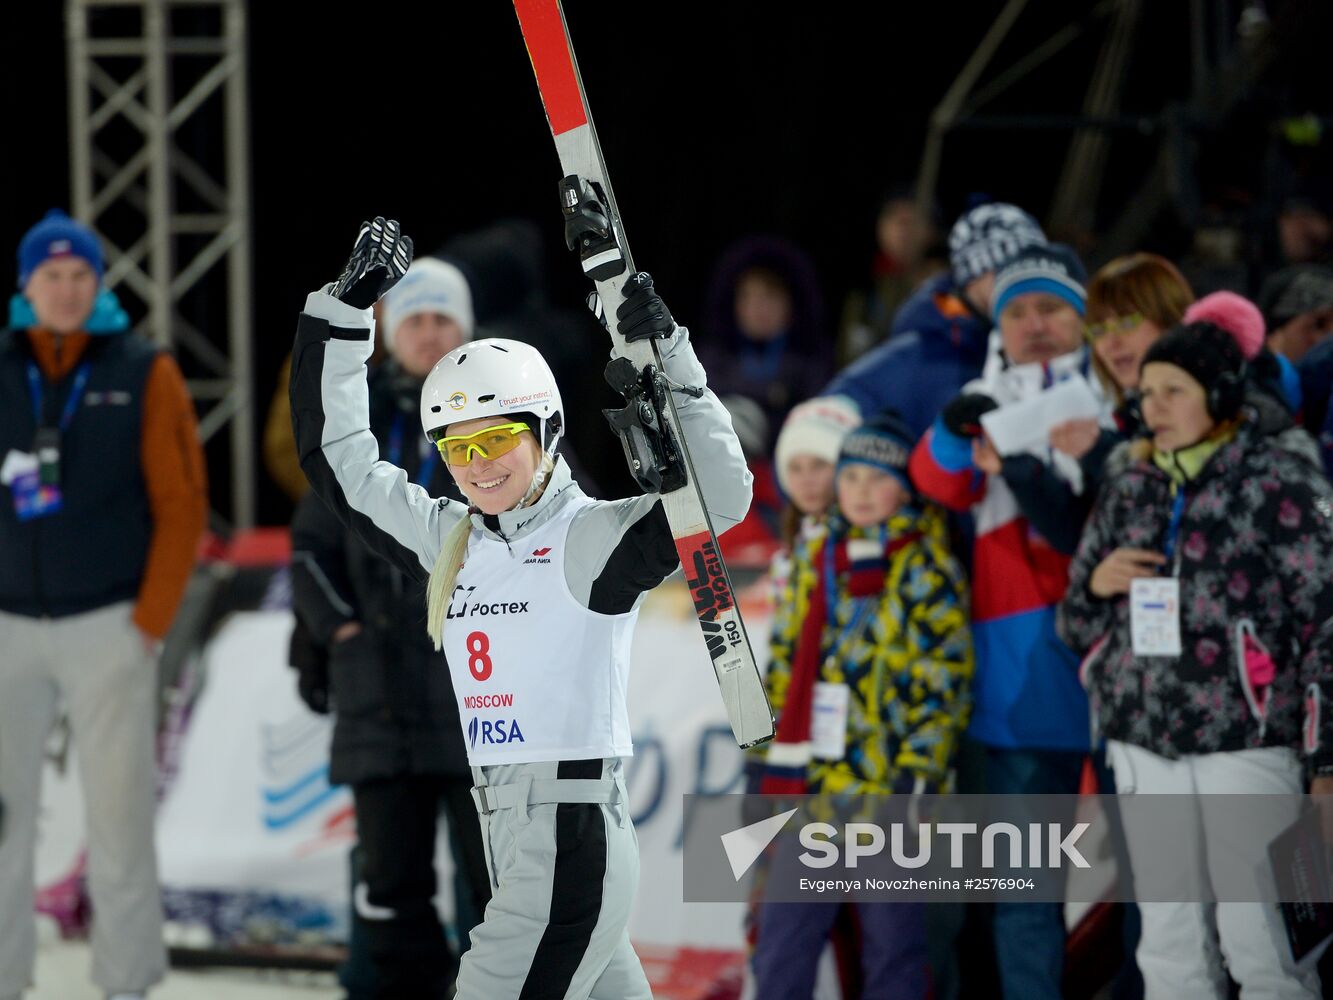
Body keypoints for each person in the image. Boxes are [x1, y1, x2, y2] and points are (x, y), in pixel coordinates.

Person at [289, 218, 751, 999]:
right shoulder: (452, 541)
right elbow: (341, 464)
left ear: (546, 430)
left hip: (565, 837)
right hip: (510, 827)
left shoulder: (589, 537)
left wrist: (671, 359)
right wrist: (343, 314)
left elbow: (719, 497)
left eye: (497, 438)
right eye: (455, 447)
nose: (476, 466)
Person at [1058, 321, 1333, 999]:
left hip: (1246, 744)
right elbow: (1073, 621)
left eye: (1172, 391)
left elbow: (1325, 623)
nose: (1152, 407)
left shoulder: (1279, 483)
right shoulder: (1128, 483)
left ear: (1219, 395)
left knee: (1265, 947)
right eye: (1145, 393)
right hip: (1142, 743)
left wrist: (1324, 759)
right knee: (1168, 948)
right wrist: (1096, 587)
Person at [0, 210, 208, 1000]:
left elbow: (184, 502)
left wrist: (145, 626)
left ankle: (127, 985)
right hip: (7, 626)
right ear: (25, 284)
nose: (65, 289)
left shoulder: (142, 369)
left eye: (80, 274)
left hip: (108, 626)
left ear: (100, 284)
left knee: (118, 824)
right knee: (3, 823)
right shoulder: (2, 365)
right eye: (50, 275)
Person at [289, 255, 488, 999]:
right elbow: (309, 548)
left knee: (495, 893)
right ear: (389, 331)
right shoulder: (357, 420)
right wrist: (339, 634)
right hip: (379, 703)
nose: (430, 336)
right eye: (416, 320)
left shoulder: (510, 415)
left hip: (479, 702)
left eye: (444, 320)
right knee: (388, 892)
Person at [908, 242, 1101, 1000]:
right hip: (1018, 678)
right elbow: (937, 482)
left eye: (1052, 308)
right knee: (1024, 890)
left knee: (1162, 887)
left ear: (1084, 319)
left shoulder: (1124, 396)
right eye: (1017, 310)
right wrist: (957, 430)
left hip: (1120, 680)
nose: (1035, 324)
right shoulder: (983, 395)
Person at [754, 413, 972, 1000]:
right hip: (813, 793)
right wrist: (765, 753)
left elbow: (945, 685)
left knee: (894, 955)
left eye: (878, 480)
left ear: (903, 488)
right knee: (780, 947)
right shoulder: (814, 557)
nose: (862, 493)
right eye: (851, 478)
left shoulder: (926, 568)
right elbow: (782, 661)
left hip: (888, 794)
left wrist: (918, 775)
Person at [823, 201, 1046, 437]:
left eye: (1031, 273)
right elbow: (818, 422)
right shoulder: (921, 349)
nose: (1021, 285)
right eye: (1005, 270)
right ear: (973, 274)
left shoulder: (1037, 347)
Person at [697, 235, 832, 448]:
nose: (757, 307)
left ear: (791, 301)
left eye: (769, 295)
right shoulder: (709, 359)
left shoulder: (814, 362)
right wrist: (773, 395)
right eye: (747, 296)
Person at [836, 192, 945, 364]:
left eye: (913, 219)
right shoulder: (861, 288)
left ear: (932, 231)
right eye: (893, 216)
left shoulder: (946, 285)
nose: (902, 227)